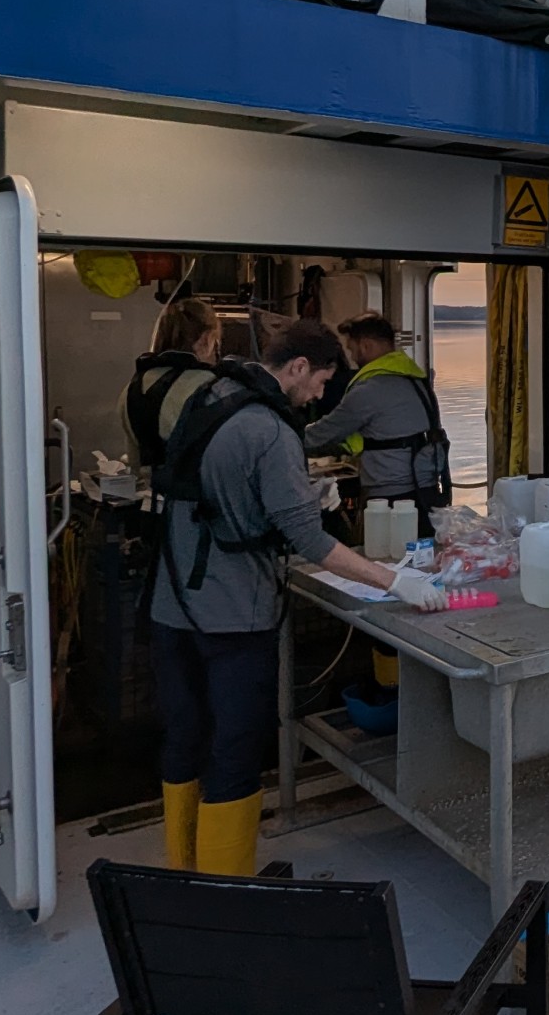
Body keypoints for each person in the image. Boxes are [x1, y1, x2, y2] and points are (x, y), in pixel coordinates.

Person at [148, 317, 401, 875]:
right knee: (235, 750)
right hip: (233, 614)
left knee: (185, 736)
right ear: (299, 367)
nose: (317, 395)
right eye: (319, 383)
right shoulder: (269, 428)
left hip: (170, 605)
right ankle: (227, 889)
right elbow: (309, 541)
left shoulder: (210, 394)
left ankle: (182, 873)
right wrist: (394, 580)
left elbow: (217, 489)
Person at [301, 314, 453, 533]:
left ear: (365, 346)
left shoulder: (369, 389)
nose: (352, 357)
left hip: (391, 494)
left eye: (352, 350)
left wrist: (285, 437)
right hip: (427, 488)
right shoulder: (417, 380)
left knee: (385, 554)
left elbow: (323, 433)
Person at [123, 295, 221, 470]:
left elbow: (135, 465)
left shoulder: (132, 389)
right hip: (200, 495)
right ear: (206, 340)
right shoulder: (213, 388)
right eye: (216, 343)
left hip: (147, 494)